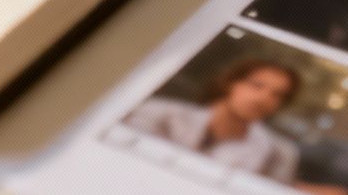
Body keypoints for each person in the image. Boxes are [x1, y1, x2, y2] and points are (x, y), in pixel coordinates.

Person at [122, 58, 302, 180]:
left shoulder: (277, 155)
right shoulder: (159, 113)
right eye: (256, 85)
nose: (263, 99)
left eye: (277, 95)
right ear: (232, 83)